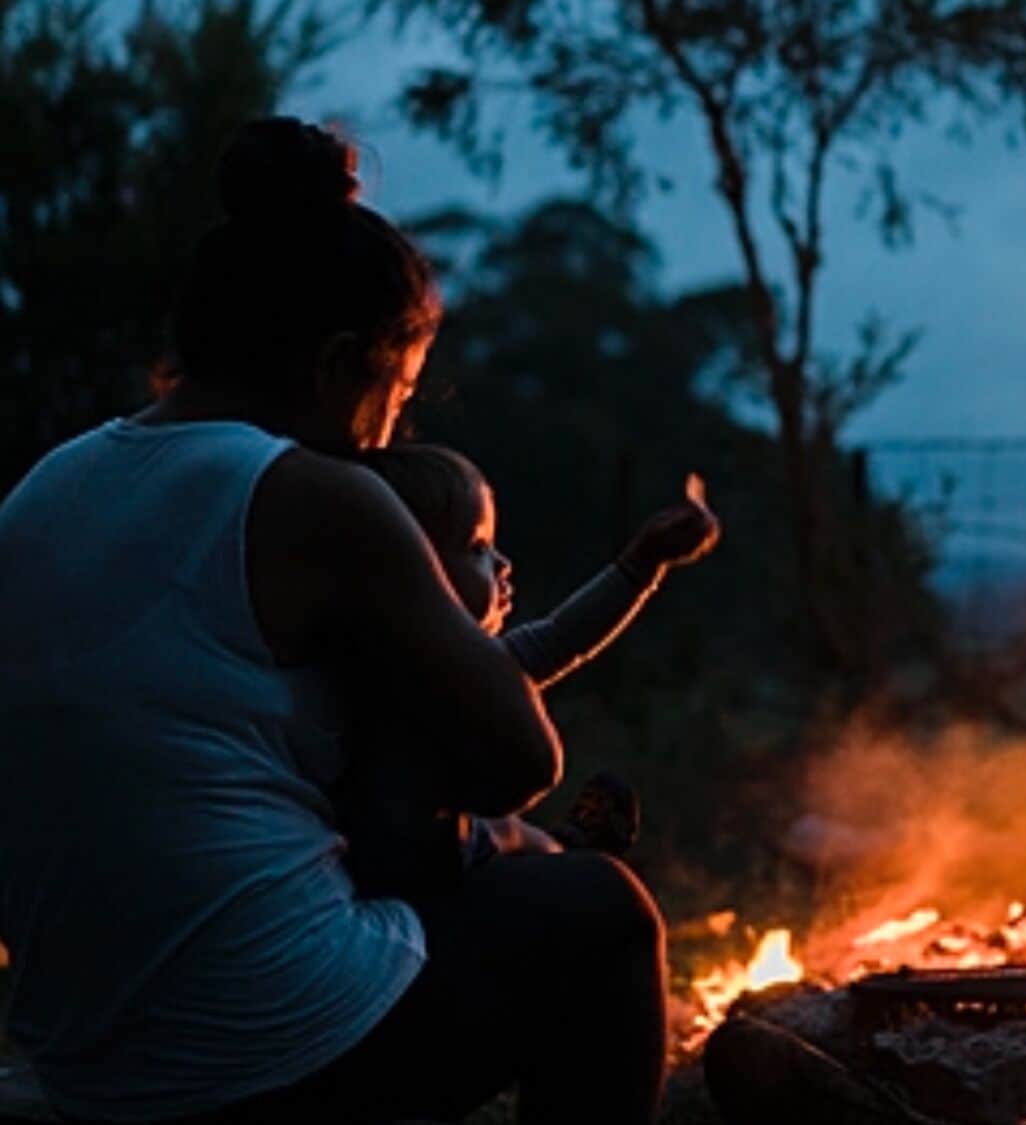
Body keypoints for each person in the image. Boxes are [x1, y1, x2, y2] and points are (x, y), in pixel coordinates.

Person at [0, 118, 671, 1124]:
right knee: (602, 914)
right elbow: (518, 760)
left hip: (83, 1051)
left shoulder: (48, 485)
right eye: (397, 396)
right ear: (337, 366)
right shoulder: (310, 495)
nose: (389, 438)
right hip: (259, 1045)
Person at [338, 442, 719, 899]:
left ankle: (563, 845)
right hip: (421, 880)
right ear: (414, 567)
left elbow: (560, 638)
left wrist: (643, 564)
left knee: (502, 829)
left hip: (443, 850)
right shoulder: (406, 680)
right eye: (477, 548)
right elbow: (557, 641)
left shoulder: (459, 665)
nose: (502, 564)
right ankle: (564, 852)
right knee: (514, 840)